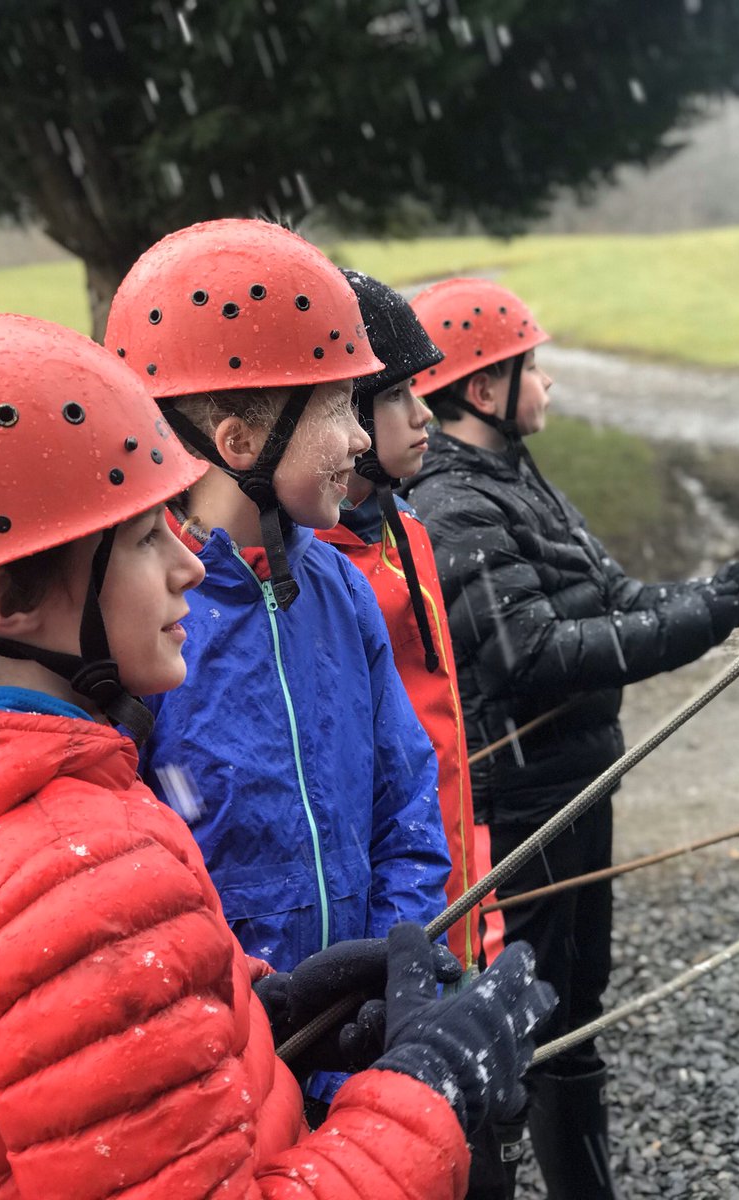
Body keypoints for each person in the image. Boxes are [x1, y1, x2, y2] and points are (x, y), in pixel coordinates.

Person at [0, 310, 557, 1199]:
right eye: (142, 538)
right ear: (3, 598)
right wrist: (426, 1092)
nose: (185, 563)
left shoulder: (26, 813)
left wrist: (250, 1009)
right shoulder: (76, 876)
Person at [402, 277, 739, 1200]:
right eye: (529, 367)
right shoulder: (454, 503)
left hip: (580, 777)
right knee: (524, 1022)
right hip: (526, 801)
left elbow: (615, 601)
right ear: (479, 388)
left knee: (578, 1006)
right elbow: (532, 656)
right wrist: (710, 619)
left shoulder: (514, 478)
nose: (546, 384)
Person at [105, 220, 454, 1118]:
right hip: (226, 1073)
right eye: (339, 408)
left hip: (358, 1048)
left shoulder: (338, 587)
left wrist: (386, 984)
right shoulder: (142, 630)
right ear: (237, 441)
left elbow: (405, 806)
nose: (357, 440)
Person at [316, 269, 479, 976]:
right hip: (390, 916)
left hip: (446, 871)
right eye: (393, 396)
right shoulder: (316, 570)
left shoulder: (403, 531)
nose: (424, 417)